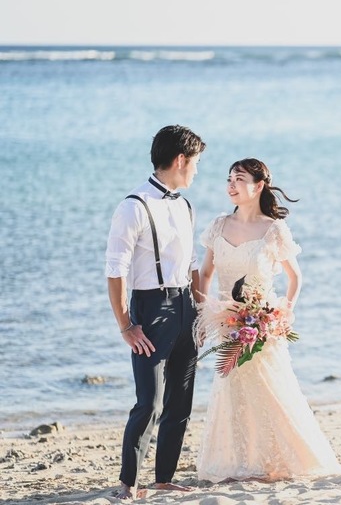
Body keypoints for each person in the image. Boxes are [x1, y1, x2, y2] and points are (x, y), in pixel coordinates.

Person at [194, 158, 341, 482]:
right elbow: (205, 274)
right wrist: (205, 315)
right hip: (226, 323)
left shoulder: (273, 229)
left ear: (259, 185)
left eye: (239, 178)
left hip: (262, 325)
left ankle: (277, 460)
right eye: (229, 179)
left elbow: (295, 278)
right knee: (231, 391)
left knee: (272, 391)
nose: (231, 184)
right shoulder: (219, 225)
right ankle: (240, 463)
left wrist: (281, 314)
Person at [105, 125, 206, 499]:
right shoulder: (133, 206)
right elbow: (115, 271)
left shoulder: (185, 204)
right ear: (180, 160)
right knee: (149, 402)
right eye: (195, 163)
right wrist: (126, 325)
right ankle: (127, 483)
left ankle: (163, 478)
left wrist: (200, 312)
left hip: (185, 308)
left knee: (180, 403)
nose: (196, 171)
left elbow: (192, 262)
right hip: (150, 308)